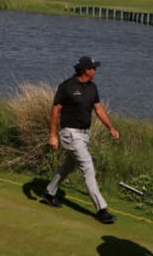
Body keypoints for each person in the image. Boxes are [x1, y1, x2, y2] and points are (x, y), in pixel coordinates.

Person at [42, 56, 119, 224]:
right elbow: (55, 110)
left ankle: (49, 193)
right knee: (88, 167)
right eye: (93, 68)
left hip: (84, 135)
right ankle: (101, 209)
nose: (95, 70)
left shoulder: (92, 88)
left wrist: (111, 127)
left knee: (69, 166)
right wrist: (52, 135)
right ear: (86, 70)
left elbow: (98, 109)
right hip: (69, 134)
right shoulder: (67, 86)